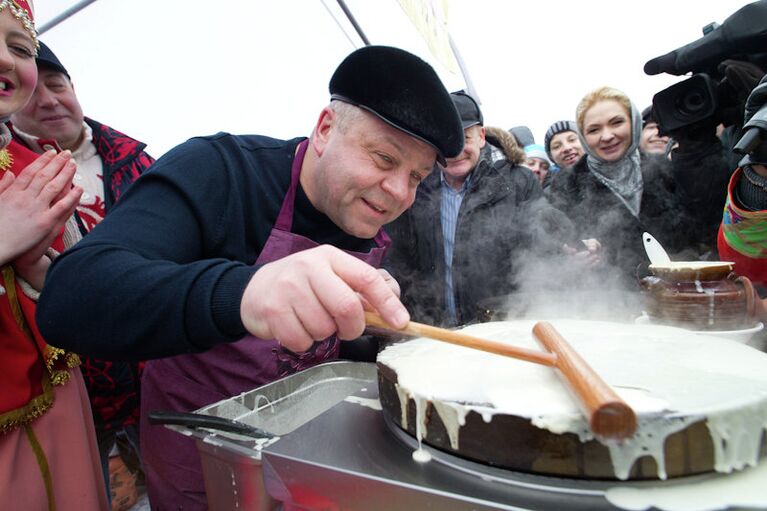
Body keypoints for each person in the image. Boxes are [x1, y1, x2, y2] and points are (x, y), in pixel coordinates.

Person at [36, 45, 464, 509]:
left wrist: (372, 330)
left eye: (417, 176)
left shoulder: (379, 208)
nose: (399, 192)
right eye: (383, 159)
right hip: (200, 459)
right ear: (324, 129)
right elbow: (73, 297)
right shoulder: (221, 170)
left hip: (311, 456)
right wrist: (246, 292)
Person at [10, 40, 153, 507]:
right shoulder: (15, 178)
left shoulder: (139, 161)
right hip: (73, 393)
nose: (49, 100)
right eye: (36, 93)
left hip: (156, 374)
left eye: (58, 85)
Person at [0, 1, 108, 509]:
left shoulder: (37, 165)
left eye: (18, 47)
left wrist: (37, 267)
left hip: (59, 390)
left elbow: (74, 285)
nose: (4, 59)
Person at [385, 91, 572, 327]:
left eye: (463, 138)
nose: (454, 151)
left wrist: (563, 244)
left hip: (498, 327)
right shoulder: (414, 188)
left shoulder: (516, 182)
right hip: (431, 329)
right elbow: (396, 256)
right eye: (444, 141)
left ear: (481, 136)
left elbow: (539, 246)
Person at [547, 86, 722, 288]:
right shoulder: (567, 184)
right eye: (594, 129)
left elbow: (704, 225)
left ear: (634, 123)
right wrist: (575, 255)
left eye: (617, 122)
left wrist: (698, 147)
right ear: (584, 137)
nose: (607, 136)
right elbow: (554, 247)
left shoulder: (665, 169)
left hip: (681, 295)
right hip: (608, 302)